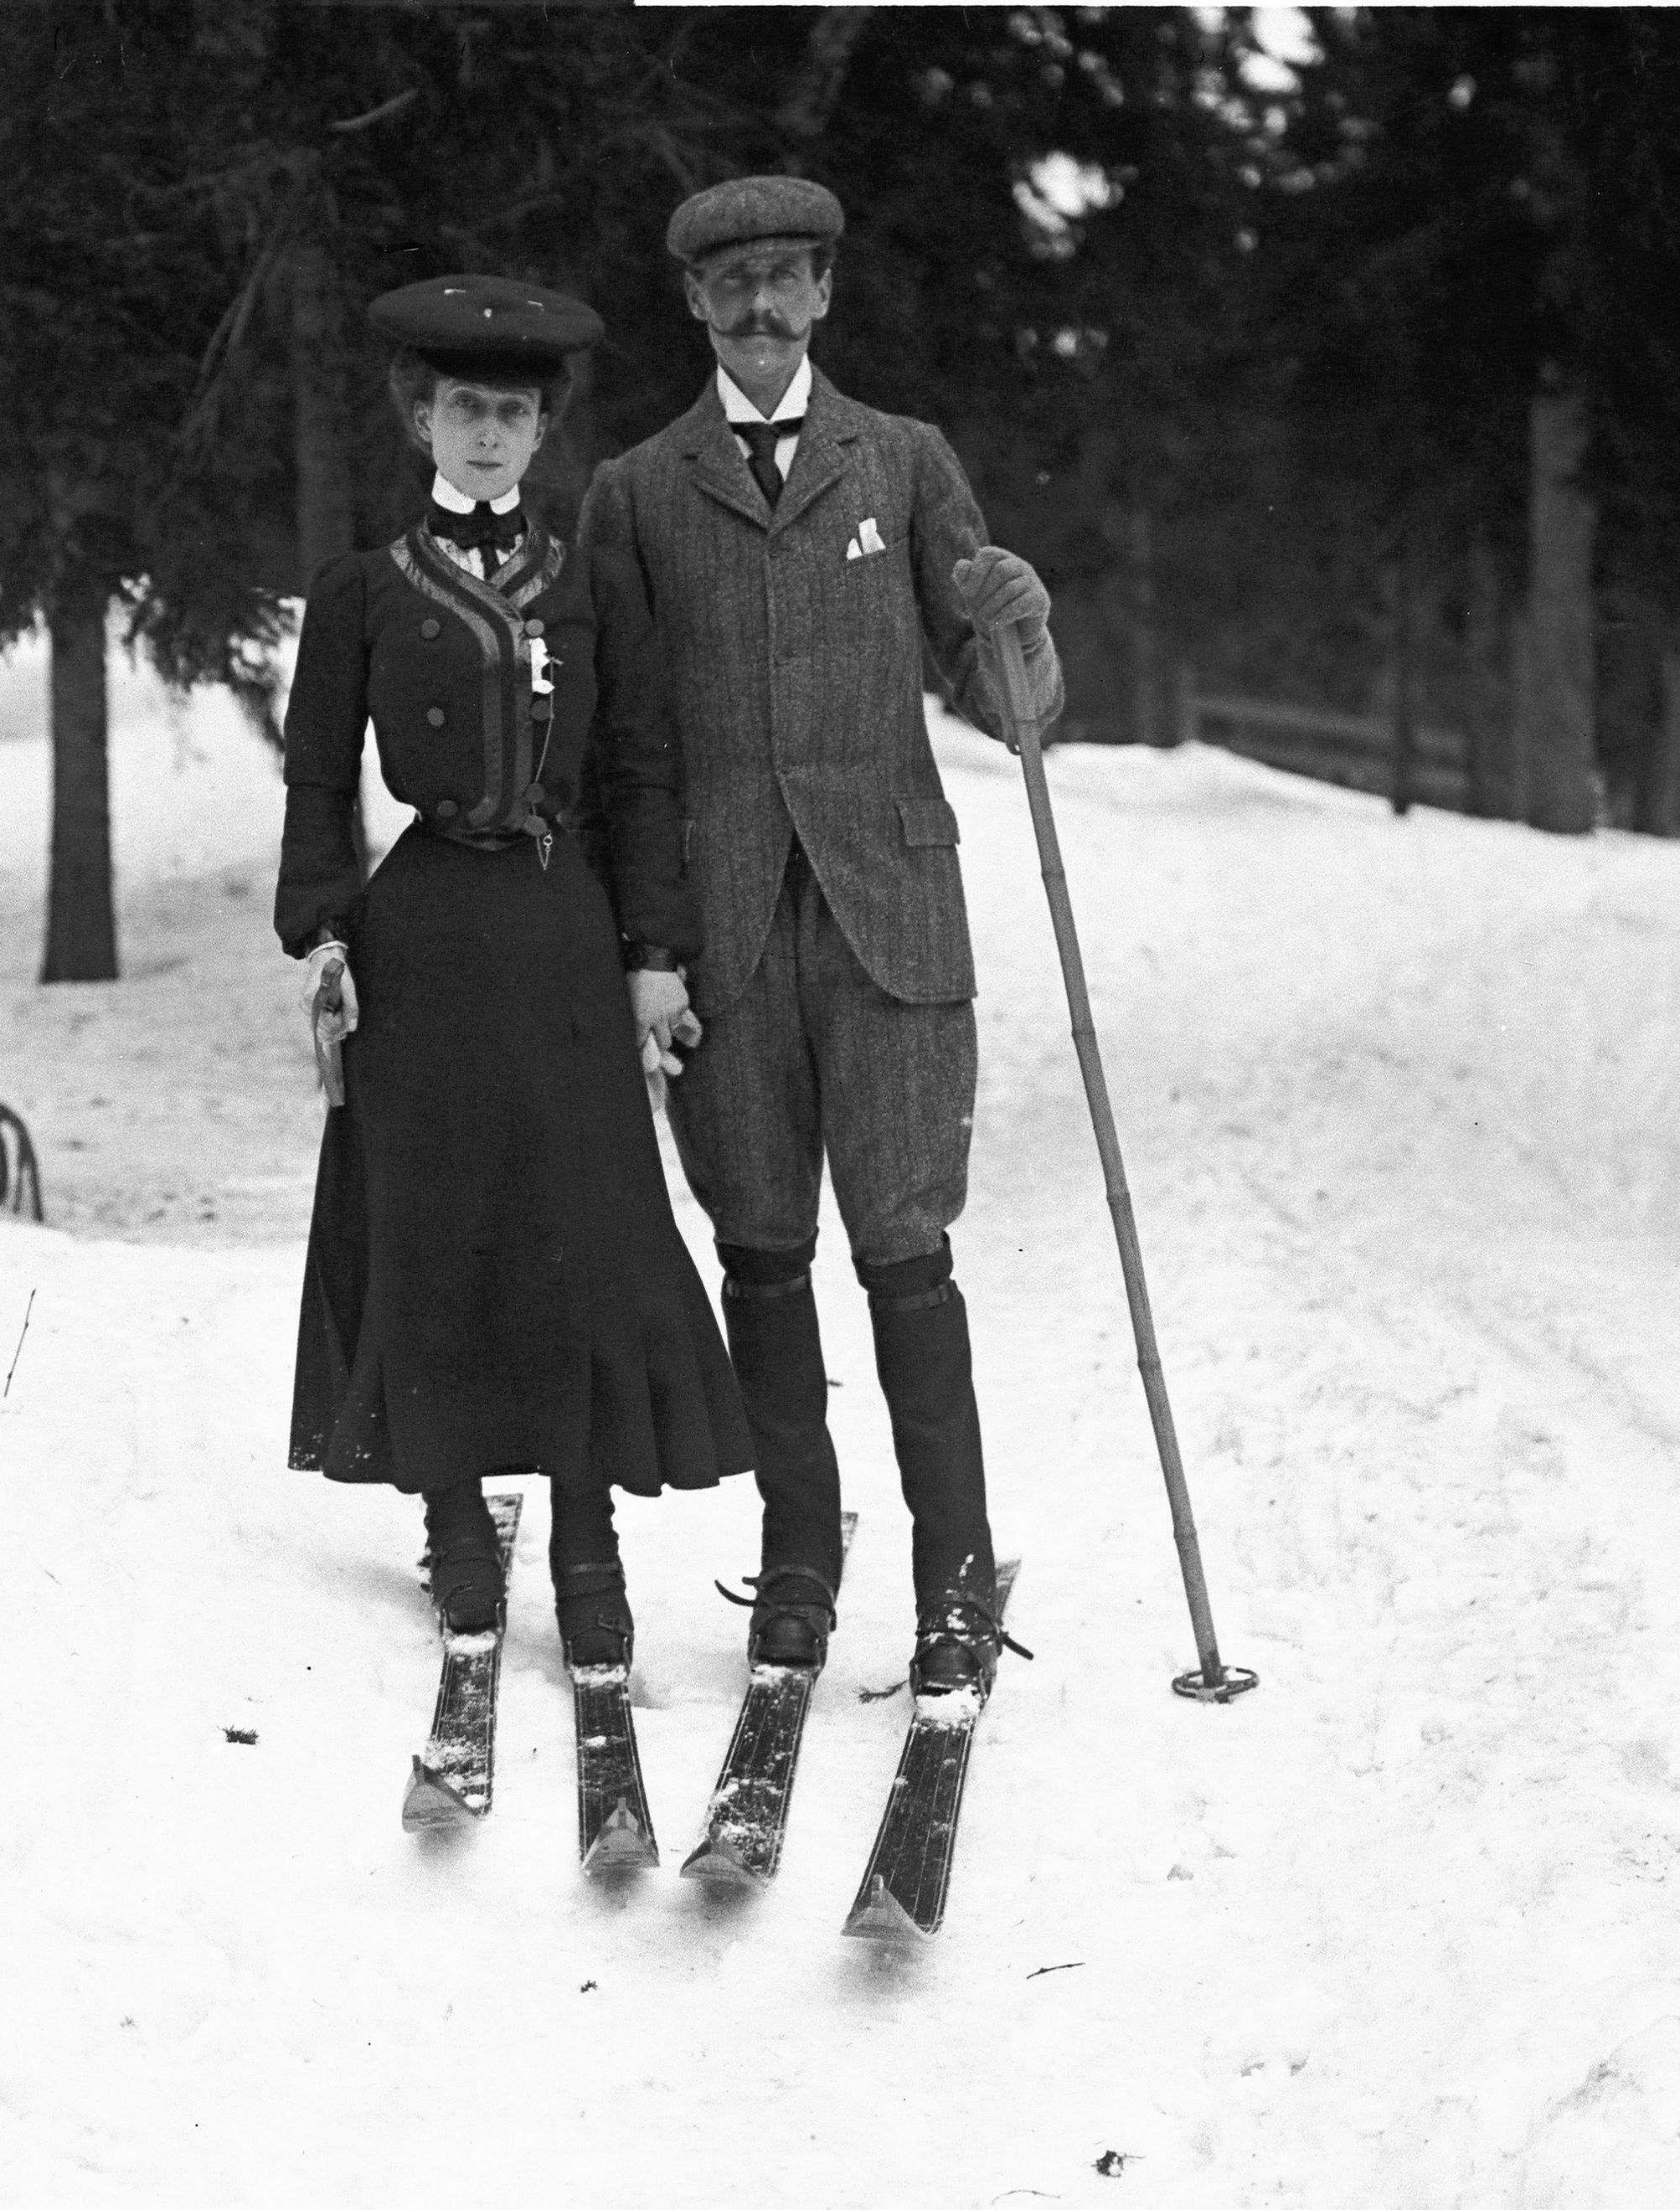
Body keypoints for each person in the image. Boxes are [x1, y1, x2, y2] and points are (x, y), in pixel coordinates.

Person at [576, 178, 1064, 1694]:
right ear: (695, 306)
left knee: (908, 1252)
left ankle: (954, 1577)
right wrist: (641, 948)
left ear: (828, 293)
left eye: (790, 279)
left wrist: (1023, 624)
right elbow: (617, 754)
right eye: (736, 286)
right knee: (765, 1253)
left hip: (892, 922)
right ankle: (800, 1561)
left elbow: (1015, 709)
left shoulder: (904, 462)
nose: (766, 308)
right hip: (722, 931)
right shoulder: (638, 492)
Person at [276, 271, 750, 1672]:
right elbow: (317, 786)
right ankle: (458, 1531)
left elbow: (637, 770)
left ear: (544, 432)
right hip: (423, 935)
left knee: (583, 1226)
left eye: (513, 413)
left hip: (557, 925)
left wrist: (654, 954)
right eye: (461, 409)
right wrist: (330, 938)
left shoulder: (589, 578)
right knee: (433, 1223)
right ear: (422, 422)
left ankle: (589, 1543)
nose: (486, 434)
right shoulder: (364, 588)